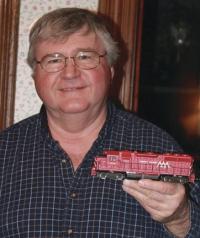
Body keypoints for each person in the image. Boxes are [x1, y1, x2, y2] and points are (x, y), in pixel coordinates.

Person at [0, 7, 199, 238]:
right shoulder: (4, 153)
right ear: (35, 75)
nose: (70, 73)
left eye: (85, 57)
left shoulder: (159, 147)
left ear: (111, 69)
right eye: (54, 60)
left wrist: (181, 219)